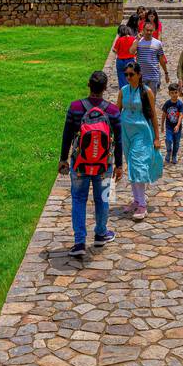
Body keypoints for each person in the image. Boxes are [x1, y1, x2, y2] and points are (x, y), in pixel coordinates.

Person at [58, 70, 124, 256]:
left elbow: (67, 135)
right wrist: (119, 165)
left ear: (89, 85)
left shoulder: (75, 107)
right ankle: (101, 233)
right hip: (104, 165)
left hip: (80, 164)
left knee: (79, 199)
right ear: (104, 88)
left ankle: (79, 242)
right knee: (103, 198)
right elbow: (118, 141)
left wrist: (63, 159)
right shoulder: (112, 111)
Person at [118, 60, 163, 219]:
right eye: (126, 75)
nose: (128, 77)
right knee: (131, 165)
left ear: (139, 74)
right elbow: (117, 112)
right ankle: (136, 200)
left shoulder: (146, 91)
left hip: (142, 133)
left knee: (138, 165)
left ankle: (142, 205)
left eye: (131, 74)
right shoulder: (123, 91)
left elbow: (153, 115)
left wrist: (157, 137)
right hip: (126, 133)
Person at [136, 19, 169, 94]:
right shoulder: (138, 42)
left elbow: (161, 59)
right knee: (141, 99)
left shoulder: (158, 43)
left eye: (151, 30)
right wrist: (137, 39)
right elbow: (131, 51)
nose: (149, 32)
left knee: (152, 99)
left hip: (153, 76)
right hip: (141, 76)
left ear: (154, 30)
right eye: (147, 30)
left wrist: (166, 73)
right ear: (143, 30)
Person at [161, 82, 183, 165]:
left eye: (176, 92)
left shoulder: (180, 104)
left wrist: (178, 125)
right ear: (169, 93)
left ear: (178, 92)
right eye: (172, 93)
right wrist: (162, 125)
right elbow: (164, 114)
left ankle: (174, 155)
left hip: (177, 127)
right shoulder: (167, 104)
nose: (174, 95)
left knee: (176, 142)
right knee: (168, 140)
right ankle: (169, 152)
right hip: (169, 126)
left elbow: (181, 116)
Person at [112, 22, 138, 91]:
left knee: (121, 77)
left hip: (120, 61)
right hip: (130, 60)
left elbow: (114, 50)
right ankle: (131, 90)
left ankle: (123, 92)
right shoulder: (133, 39)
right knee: (131, 76)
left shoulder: (119, 40)